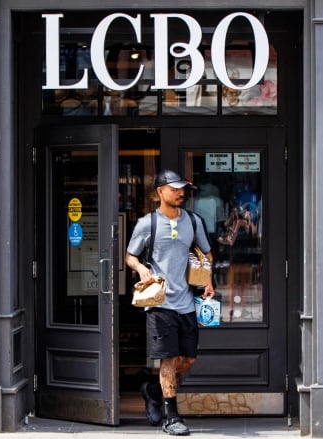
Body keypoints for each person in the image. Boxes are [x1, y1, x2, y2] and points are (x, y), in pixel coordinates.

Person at [125, 170, 215, 436]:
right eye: (175, 188)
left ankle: (151, 391)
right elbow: (130, 256)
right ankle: (171, 417)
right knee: (168, 359)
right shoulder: (147, 223)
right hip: (160, 302)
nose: (181, 193)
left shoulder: (194, 222)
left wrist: (208, 280)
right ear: (160, 191)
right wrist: (141, 268)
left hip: (187, 302)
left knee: (187, 359)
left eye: (183, 189)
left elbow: (206, 253)